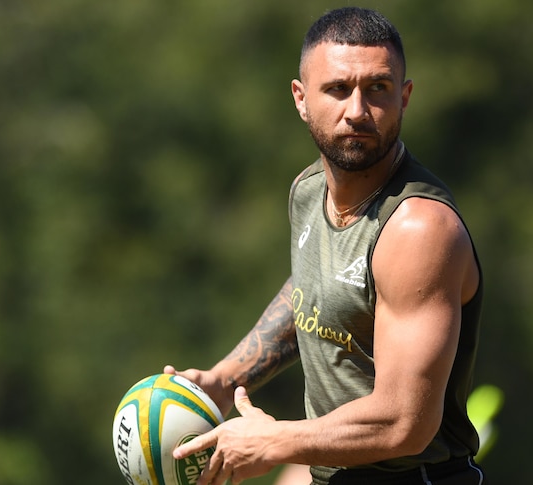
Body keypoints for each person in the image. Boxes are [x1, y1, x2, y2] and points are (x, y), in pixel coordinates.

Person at [166, 7, 486, 485]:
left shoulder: (419, 229)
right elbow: (317, 286)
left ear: (405, 96)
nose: (356, 110)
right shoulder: (309, 191)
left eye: (377, 88)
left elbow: (405, 423)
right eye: (337, 89)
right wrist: (224, 380)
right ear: (300, 98)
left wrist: (276, 441)